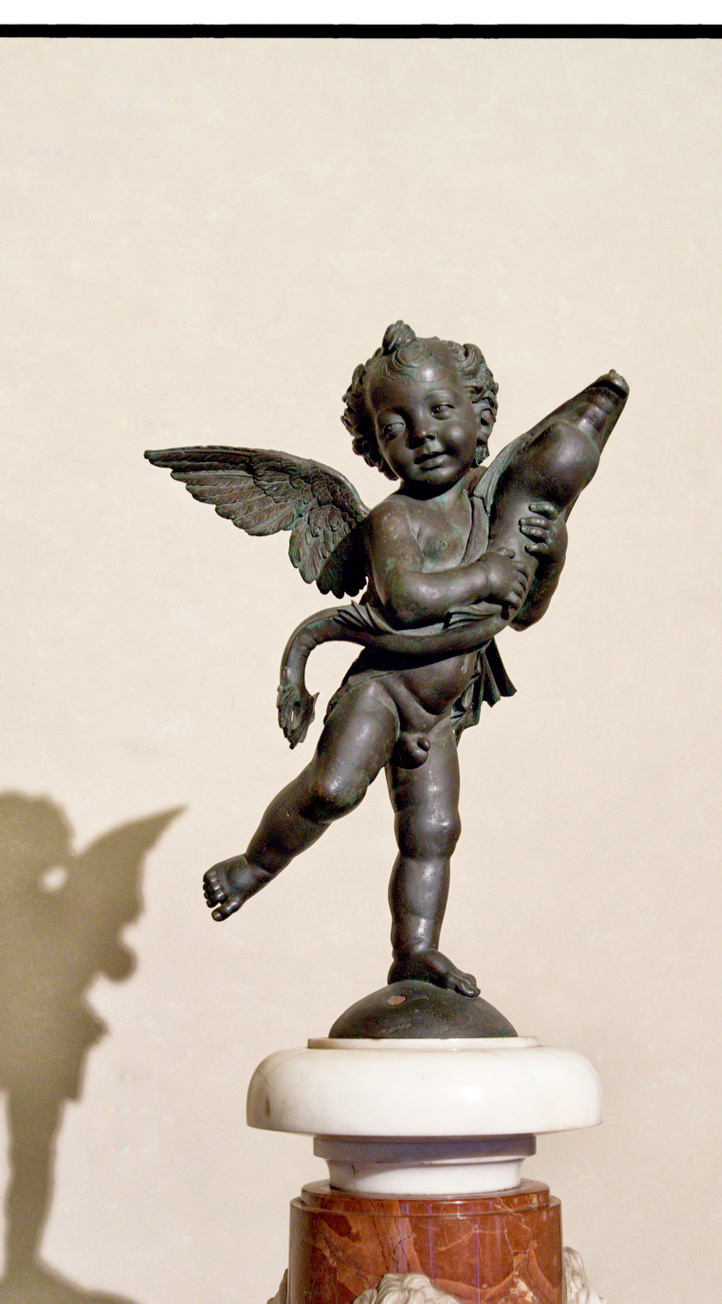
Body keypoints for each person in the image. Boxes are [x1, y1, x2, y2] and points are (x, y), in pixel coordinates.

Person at [202, 323, 568, 995]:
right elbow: (404, 598)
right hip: (383, 689)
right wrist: (486, 574)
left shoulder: (493, 510)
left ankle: (416, 952)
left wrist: (550, 554)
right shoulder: (392, 520)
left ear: (480, 414)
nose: (422, 434)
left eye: (439, 409)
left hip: (442, 711)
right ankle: (254, 866)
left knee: (434, 830)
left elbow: (523, 614)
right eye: (395, 427)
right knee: (333, 790)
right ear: (375, 447)